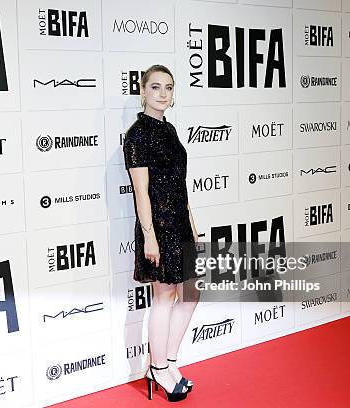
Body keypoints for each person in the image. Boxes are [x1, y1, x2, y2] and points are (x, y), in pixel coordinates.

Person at [123, 65, 200, 402]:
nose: (163, 93)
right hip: (158, 227)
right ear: (142, 91)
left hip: (180, 224)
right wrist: (149, 236)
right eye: (155, 87)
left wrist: (192, 226)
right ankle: (157, 368)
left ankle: (168, 363)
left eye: (168, 87)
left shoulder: (168, 129)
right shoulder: (137, 134)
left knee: (190, 295)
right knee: (165, 296)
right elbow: (141, 192)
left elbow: (178, 186)